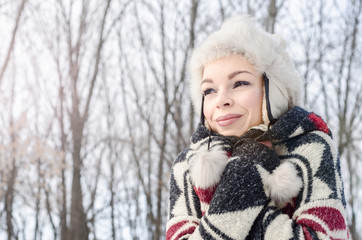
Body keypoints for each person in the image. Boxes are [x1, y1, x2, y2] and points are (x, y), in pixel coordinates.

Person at [166, 15, 350, 239]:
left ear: (274, 91)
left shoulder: (312, 148)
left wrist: (235, 198)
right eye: (209, 90)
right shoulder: (187, 165)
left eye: (240, 83)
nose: (221, 100)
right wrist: (245, 176)